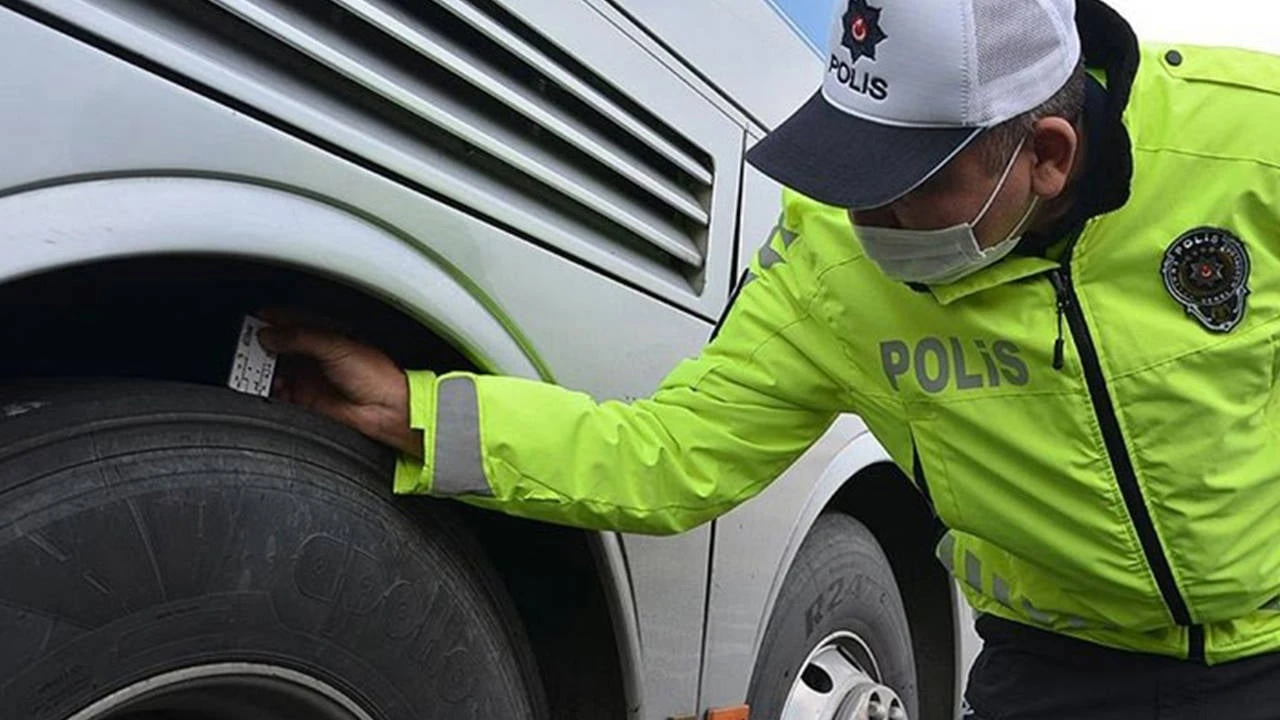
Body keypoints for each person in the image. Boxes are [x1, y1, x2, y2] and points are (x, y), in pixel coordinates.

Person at [258, 0, 1280, 716]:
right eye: (850, 174)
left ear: (1043, 155)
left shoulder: (1250, 144)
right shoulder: (825, 269)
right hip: (1052, 672)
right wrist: (420, 413)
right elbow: (671, 455)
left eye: (901, 190)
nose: (861, 221)